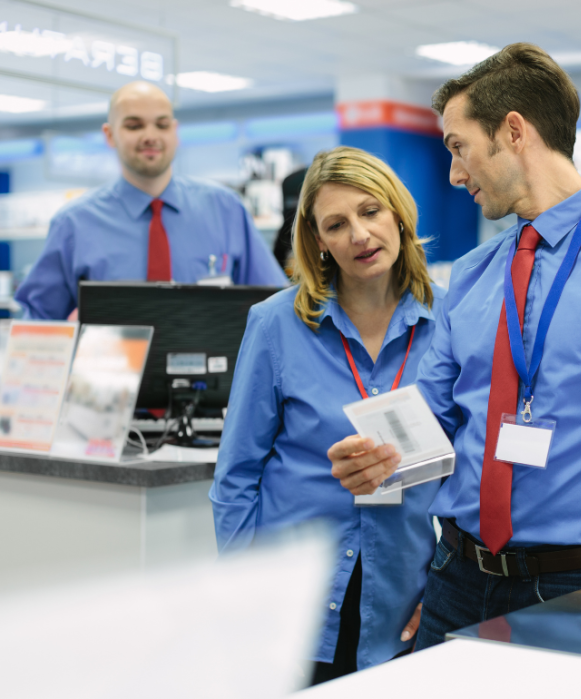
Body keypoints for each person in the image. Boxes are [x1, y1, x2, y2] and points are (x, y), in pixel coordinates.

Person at [328, 43, 581, 648]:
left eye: (458, 146)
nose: (453, 173)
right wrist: (381, 457)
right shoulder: (472, 273)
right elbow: (439, 415)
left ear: (514, 131)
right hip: (456, 581)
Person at [209, 146, 445, 685]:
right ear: (317, 241)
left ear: (398, 214)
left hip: (404, 590)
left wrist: (446, 586)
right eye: (336, 224)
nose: (359, 235)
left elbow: (470, 473)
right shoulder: (275, 325)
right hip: (293, 590)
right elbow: (237, 476)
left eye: (370, 211)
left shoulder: (450, 322)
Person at [15, 81, 287, 320]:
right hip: (113, 376)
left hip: (215, 375)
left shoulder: (225, 209)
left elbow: (275, 306)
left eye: (162, 124)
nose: (150, 136)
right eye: (134, 125)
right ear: (110, 135)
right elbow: (39, 319)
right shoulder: (74, 223)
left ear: (174, 131)